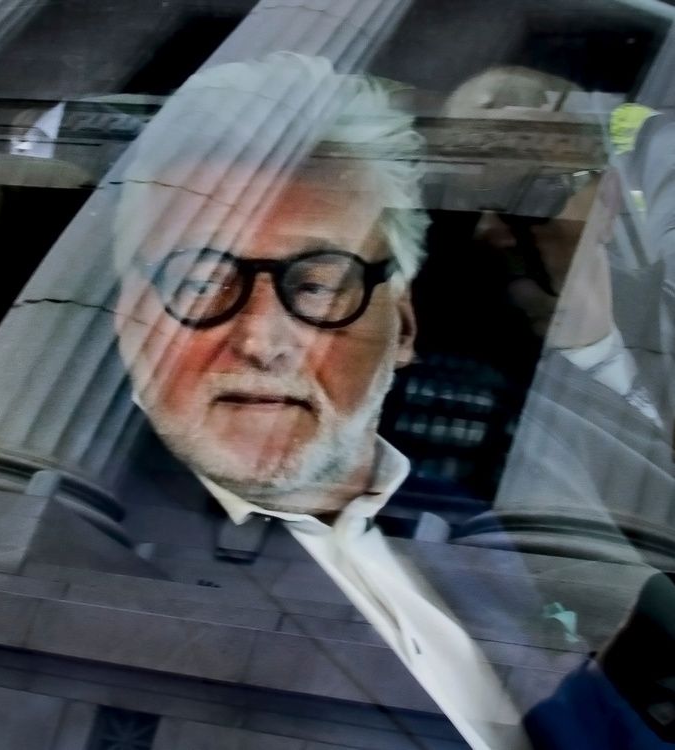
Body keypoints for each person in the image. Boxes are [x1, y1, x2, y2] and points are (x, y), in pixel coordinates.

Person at [109, 51, 531, 750]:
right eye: (200, 278)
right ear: (128, 321)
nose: (261, 342)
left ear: (403, 326)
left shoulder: (478, 532)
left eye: (316, 283)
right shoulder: (73, 558)